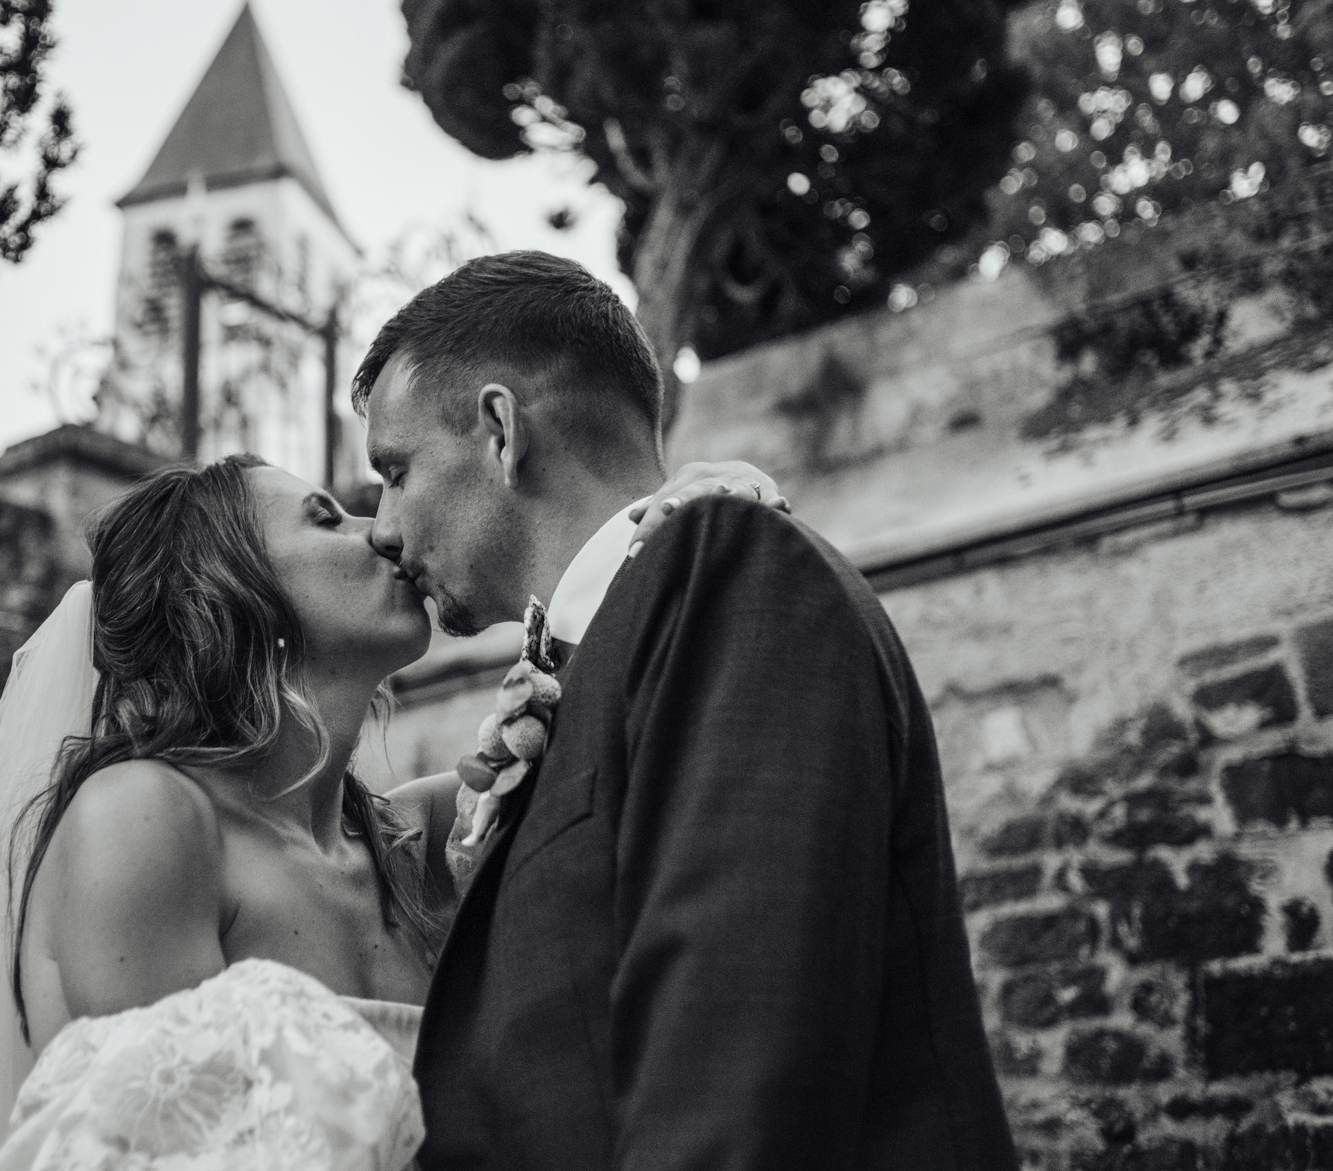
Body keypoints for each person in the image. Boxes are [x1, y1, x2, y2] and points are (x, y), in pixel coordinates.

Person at [0, 451, 776, 1171]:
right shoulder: (146, 820)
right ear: (226, 592)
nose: (387, 532)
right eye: (327, 517)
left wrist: (667, 536)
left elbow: (639, 734)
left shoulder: (419, 844)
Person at [354, 250, 1017, 1171]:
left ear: (501, 431)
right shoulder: (591, 666)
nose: (383, 528)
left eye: (395, 470)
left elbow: (740, 1072)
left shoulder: (730, 574)